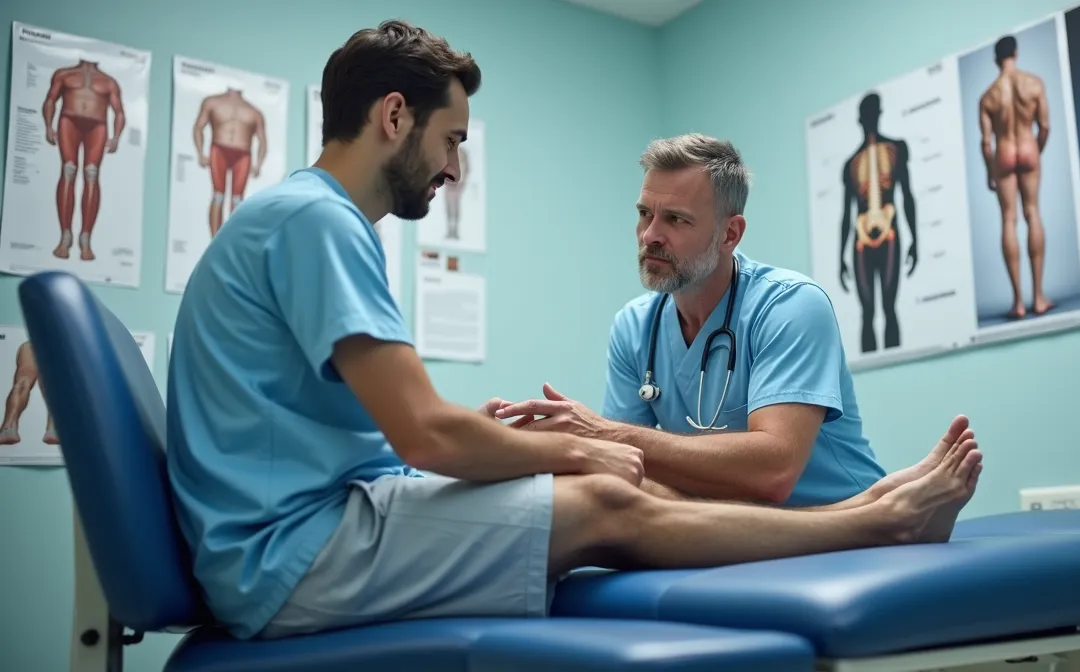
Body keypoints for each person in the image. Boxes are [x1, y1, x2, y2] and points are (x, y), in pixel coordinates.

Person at [165, 19, 983, 643]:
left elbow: (407, 432)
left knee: (604, 491)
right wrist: (575, 446)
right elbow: (424, 433)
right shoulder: (320, 222)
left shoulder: (299, 217)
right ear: (392, 117)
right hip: (288, 553)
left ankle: (870, 514)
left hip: (292, 534)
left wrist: (521, 444)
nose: (453, 167)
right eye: (451, 139)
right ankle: (877, 520)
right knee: (602, 500)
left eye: (675, 219)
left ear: (729, 234)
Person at [495, 134, 975, 515]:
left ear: (730, 233)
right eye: (644, 214)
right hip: (722, 528)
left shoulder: (789, 306)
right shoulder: (634, 328)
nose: (650, 235)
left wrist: (602, 433)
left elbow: (774, 470)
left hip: (833, 527)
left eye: (676, 220)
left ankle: (880, 511)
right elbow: (626, 472)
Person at [978, 35, 1054, 319]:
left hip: (1004, 154)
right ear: (1016, 53)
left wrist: (990, 171)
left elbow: (986, 143)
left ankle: (1019, 303)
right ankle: (1039, 298)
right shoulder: (1033, 83)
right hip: (1027, 148)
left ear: (997, 59)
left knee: (1008, 220)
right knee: (1032, 213)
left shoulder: (988, 97)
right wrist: (1036, 151)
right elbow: (1044, 127)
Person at [838, 92, 917, 353]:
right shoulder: (851, 164)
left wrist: (915, 240)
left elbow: (907, 196)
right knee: (868, 312)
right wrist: (841, 256)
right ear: (862, 119)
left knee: (889, 307)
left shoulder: (896, 149)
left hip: (890, 232)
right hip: (861, 238)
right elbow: (846, 215)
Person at [43, 59, 124, 262]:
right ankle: (65, 236)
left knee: (91, 174)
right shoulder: (64, 74)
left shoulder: (109, 81)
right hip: (69, 120)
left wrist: (116, 136)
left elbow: (119, 111)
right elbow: (51, 99)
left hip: (97, 125)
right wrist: (48, 125)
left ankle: (85, 238)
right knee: (69, 170)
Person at [194, 88, 267, 237]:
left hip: (242, 154)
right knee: (218, 195)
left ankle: (231, 240)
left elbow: (263, 142)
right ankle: (215, 240)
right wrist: (200, 153)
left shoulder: (254, 112)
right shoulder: (212, 102)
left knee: (237, 199)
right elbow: (198, 128)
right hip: (219, 149)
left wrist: (259, 164)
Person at [0, 341, 59, 446]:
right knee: (53, 381)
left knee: (23, 381)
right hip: (61, 342)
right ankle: (53, 428)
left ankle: (8, 428)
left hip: (33, 342)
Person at [445, 145, 469, 239]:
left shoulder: (462, 154)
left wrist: (462, 183)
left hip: (458, 184)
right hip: (449, 184)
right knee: (449, 207)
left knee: (455, 207)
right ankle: (450, 231)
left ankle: (455, 231)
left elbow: (466, 169)